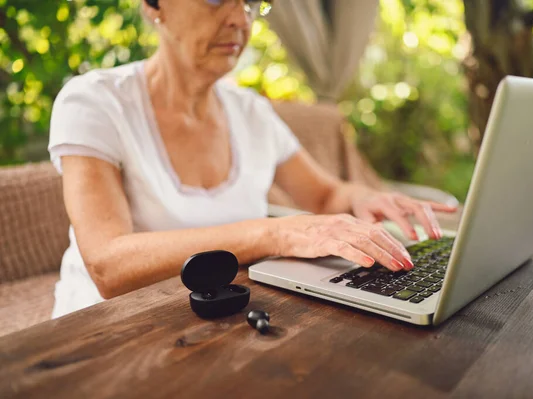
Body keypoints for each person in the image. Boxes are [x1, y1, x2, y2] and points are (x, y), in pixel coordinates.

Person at [47, 0, 457, 318]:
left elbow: (325, 195)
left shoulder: (251, 112)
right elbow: (108, 265)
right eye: (216, 0)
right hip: (110, 329)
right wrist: (273, 233)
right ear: (155, 6)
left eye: (250, 3)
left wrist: (362, 198)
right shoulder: (94, 102)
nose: (241, 21)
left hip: (223, 321)